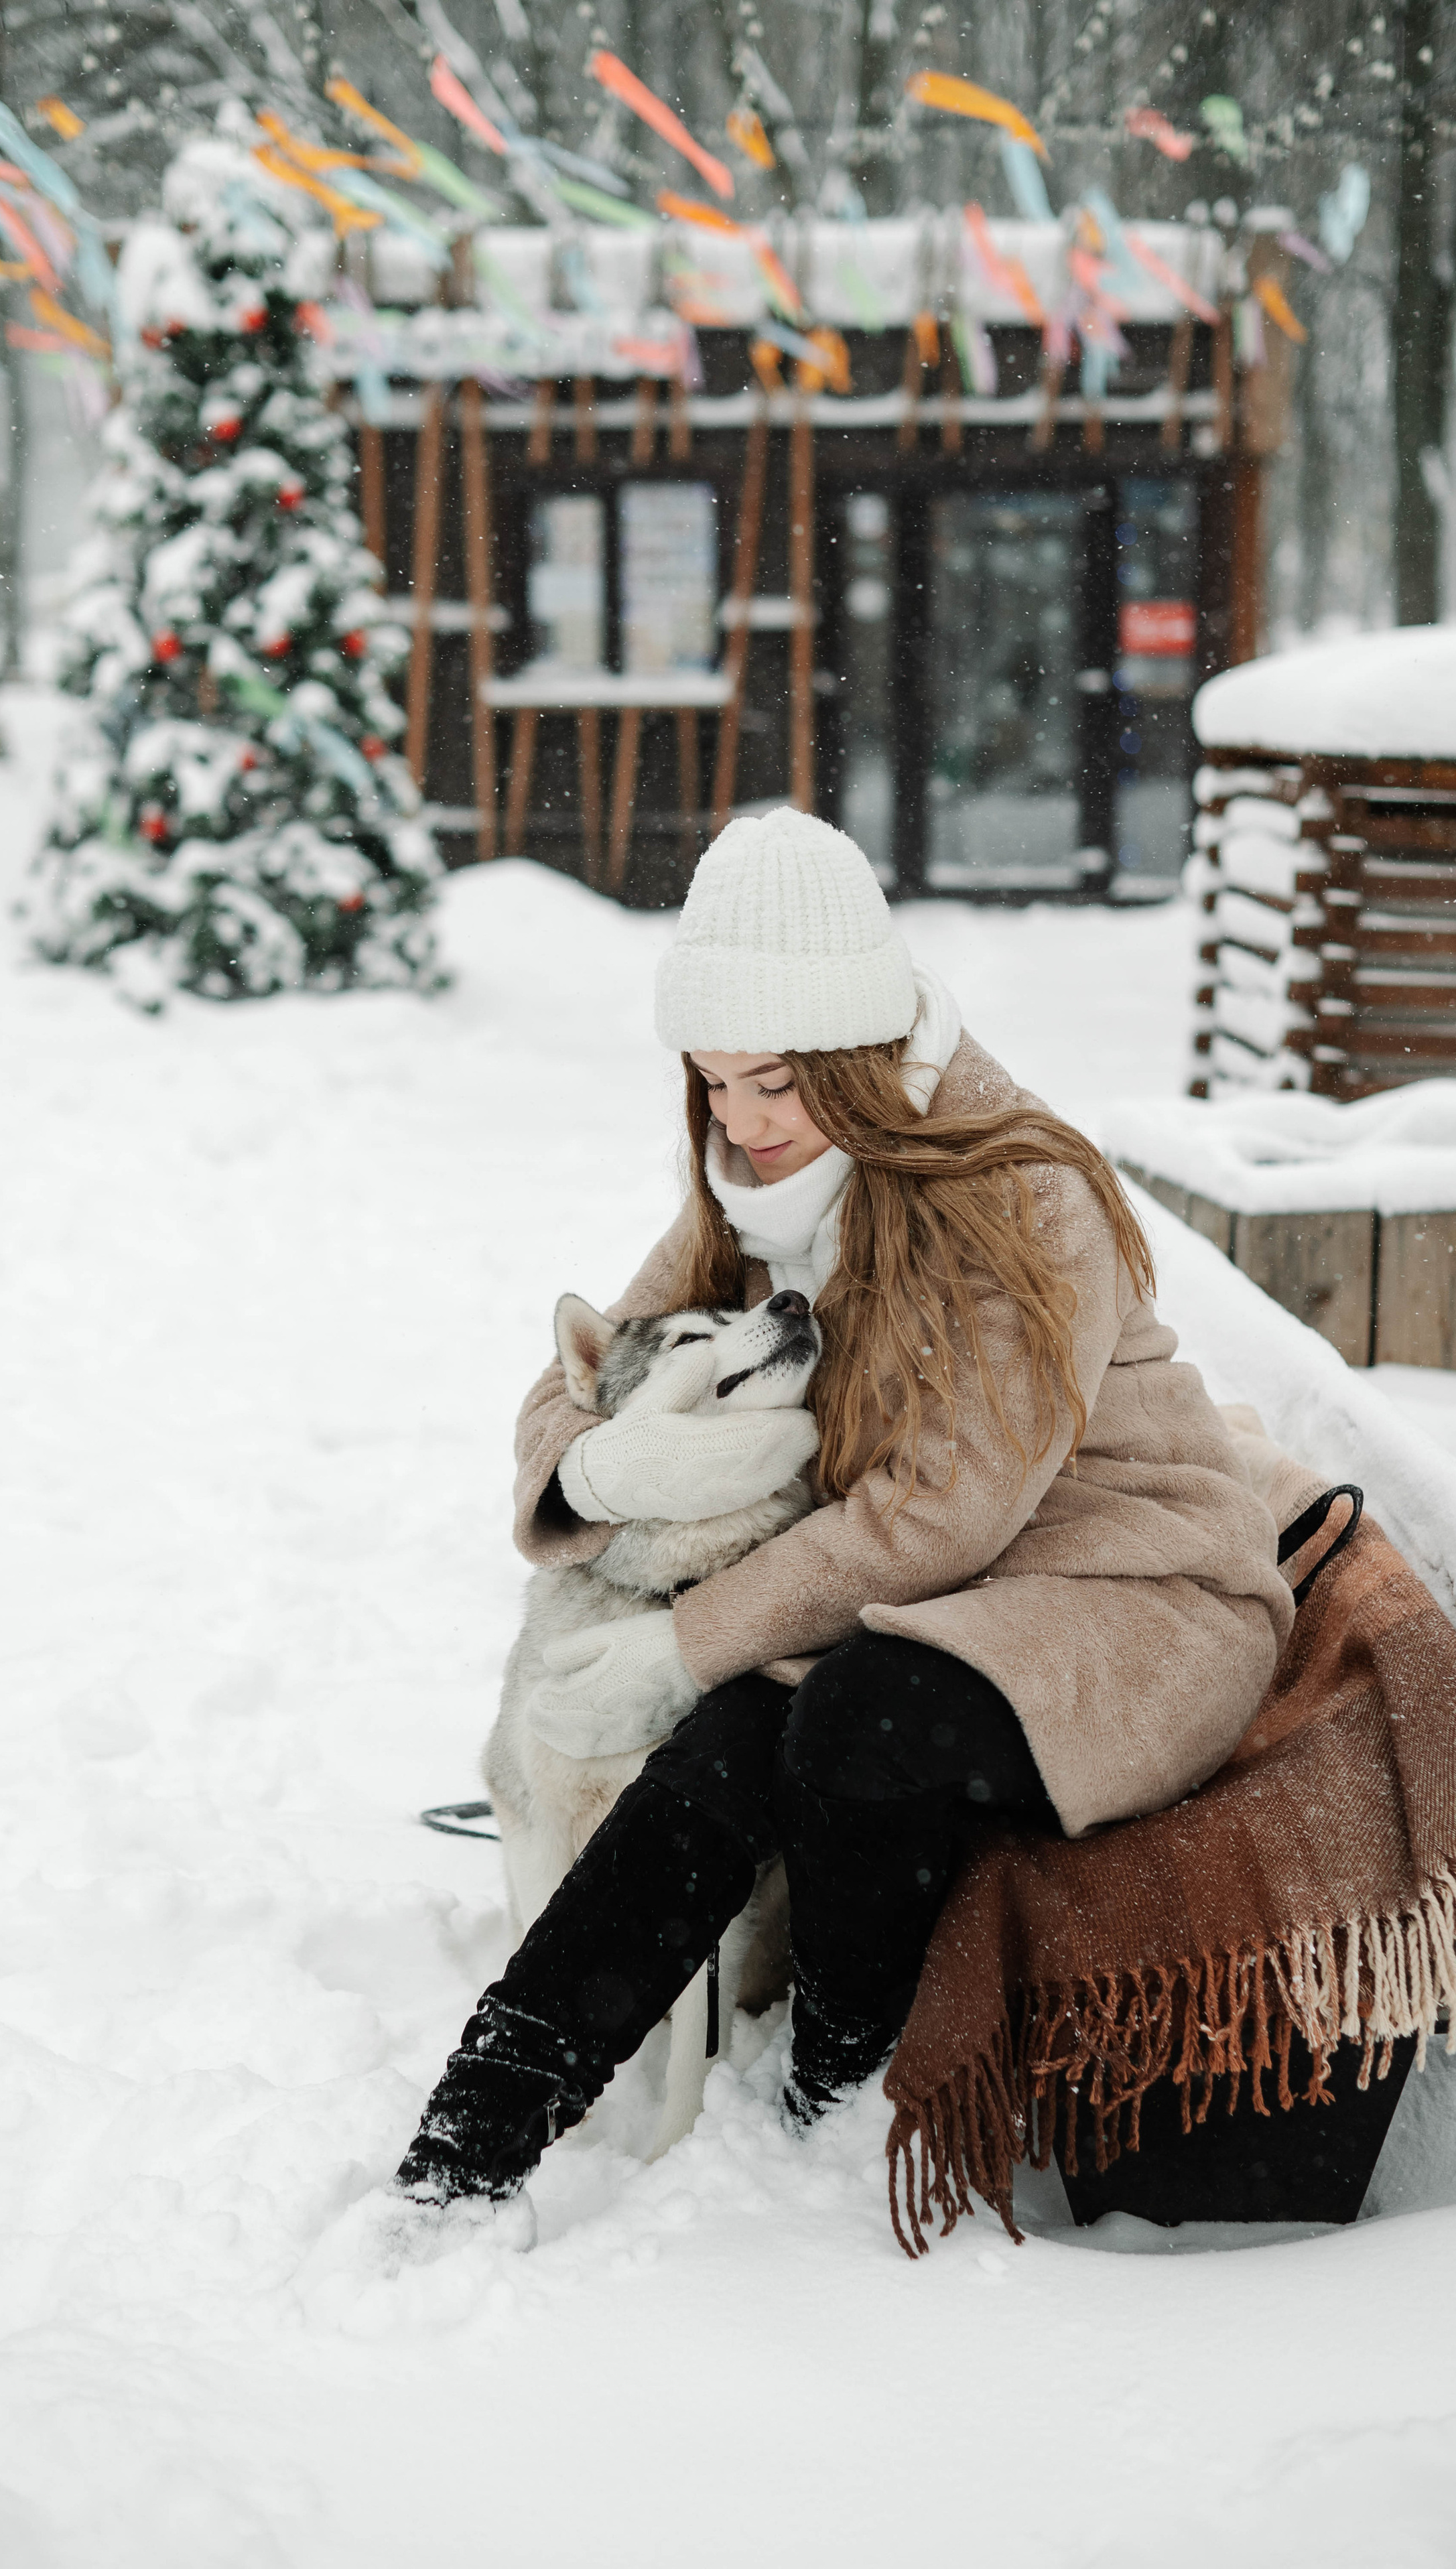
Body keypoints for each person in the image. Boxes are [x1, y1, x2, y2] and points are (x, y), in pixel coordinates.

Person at [394, 809, 1293, 2232]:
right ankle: (474, 2135)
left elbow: (940, 1516)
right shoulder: (755, 1184)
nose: (741, 1120)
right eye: (711, 1083)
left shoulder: (1020, 1193)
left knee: (847, 1721)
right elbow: (584, 1375)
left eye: (772, 1082)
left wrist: (686, 1637)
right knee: (725, 1744)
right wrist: (597, 1474)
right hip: (930, 1600)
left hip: (1121, 1605)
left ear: (860, 1056)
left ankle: (832, 2093)